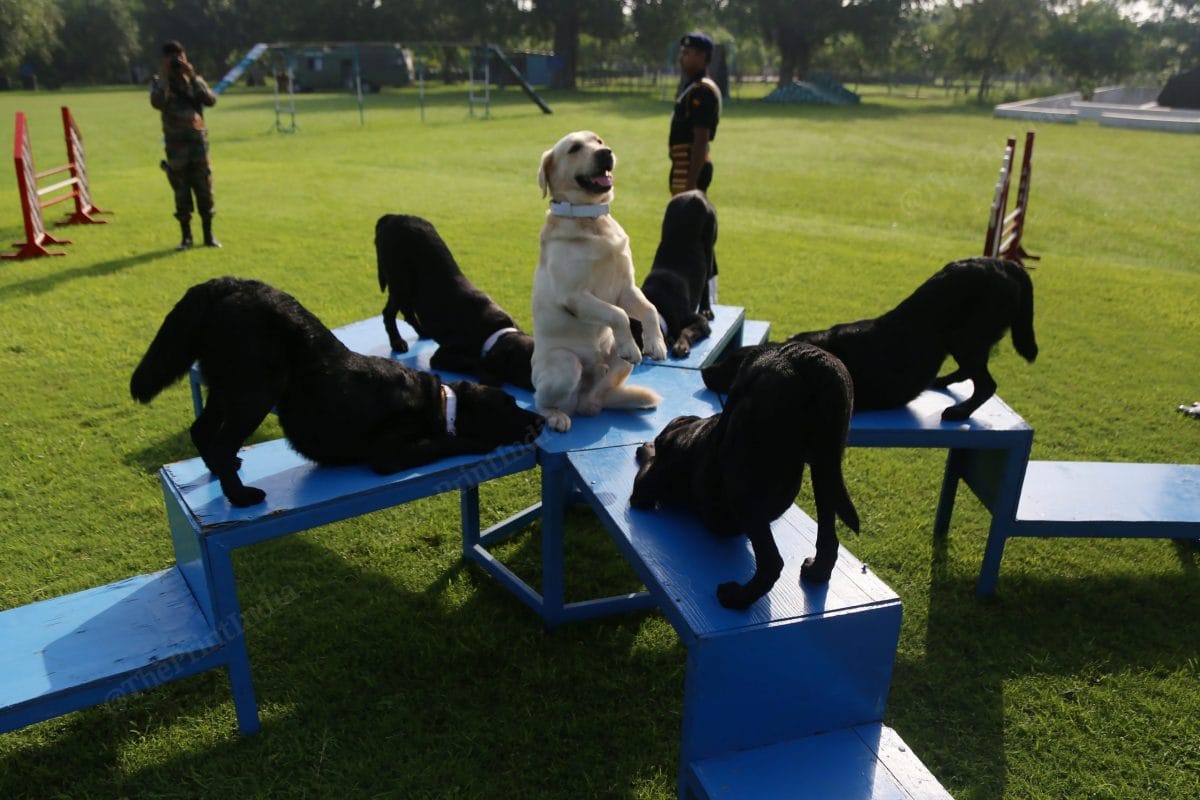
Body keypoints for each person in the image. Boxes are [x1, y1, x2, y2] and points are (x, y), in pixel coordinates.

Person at [150, 40, 220, 250]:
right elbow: (157, 103)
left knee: (205, 190)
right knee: (181, 192)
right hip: (176, 147)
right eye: (172, 59)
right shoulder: (160, 82)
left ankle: (208, 236)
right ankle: (186, 237)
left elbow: (210, 100)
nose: (177, 62)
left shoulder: (193, 80)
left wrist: (193, 76)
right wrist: (164, 77)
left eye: (180, 57)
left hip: (198, 145)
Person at [669, 32, 721, 196]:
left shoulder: (702, 91)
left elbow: (701, 138)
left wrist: (692, 182)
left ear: (701, 57)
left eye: (686, 53)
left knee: (689, 218)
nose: (681, 58)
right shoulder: (691, 88)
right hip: (682, 165)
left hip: (691, 166)